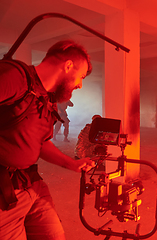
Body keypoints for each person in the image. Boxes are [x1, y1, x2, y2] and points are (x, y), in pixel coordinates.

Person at [0, 40, 95, 240]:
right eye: (81, 76)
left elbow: (40, 142)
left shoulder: (46, 98)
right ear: (68, 66)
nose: (80, 84)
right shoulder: (15, 78)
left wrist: (72, 164)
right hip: (3, 195)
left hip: (31, 184)